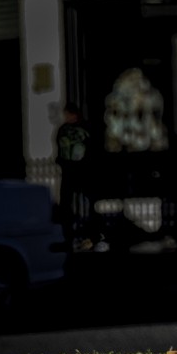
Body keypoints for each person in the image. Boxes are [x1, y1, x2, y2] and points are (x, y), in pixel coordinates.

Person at [55, 102, 103, 252]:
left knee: (88, 202)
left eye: (68, 114)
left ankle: (91, 233)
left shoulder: (85, 128)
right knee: (66, 204)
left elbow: (92, 148)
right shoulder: (63, 129)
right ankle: (69, 234)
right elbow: (60, 148)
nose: (67, 116)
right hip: (69, 171)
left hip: (83, 171)